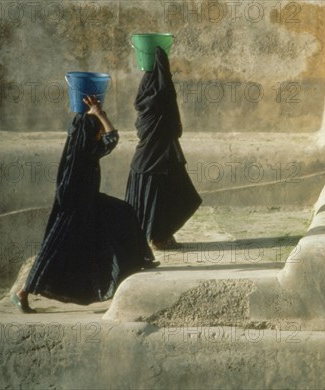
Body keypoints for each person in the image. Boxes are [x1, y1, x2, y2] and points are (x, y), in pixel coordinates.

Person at [11, 96, 156, 313]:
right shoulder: (82, 152)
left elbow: (109, 137)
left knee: (123, 212)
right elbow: (112, 138)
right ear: (91, 134)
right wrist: (98, 115)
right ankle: (22, 293)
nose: (100, 135)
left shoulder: (83, 143)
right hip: (74, 207)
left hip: (87, 201)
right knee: (55, 251)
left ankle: (138, 259)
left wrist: (99, 113)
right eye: (97, 132)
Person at [125, 47, 201, 250]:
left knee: (164, 202)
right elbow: (175, 127)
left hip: (148, 162)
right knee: (181, 199)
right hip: (157, 163)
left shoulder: (145, 104)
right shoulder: (161, 103)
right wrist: (163, 63)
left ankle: (159, 236)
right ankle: (159, 237)